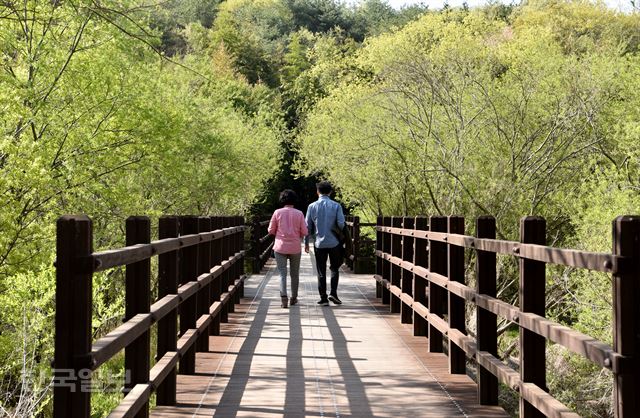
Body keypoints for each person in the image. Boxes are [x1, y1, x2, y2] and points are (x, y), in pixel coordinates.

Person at [305, 181, 345, 306]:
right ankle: (333, 293)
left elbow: (307, 227)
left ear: (317, 192)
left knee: (321, 271)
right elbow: (341, 224)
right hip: (334, 242)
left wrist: (306, 243)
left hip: (319, 243)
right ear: (330, 192)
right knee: (334, 268)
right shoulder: (336, 205)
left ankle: (323, 298)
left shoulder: (312, 206)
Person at [268, 189, 308, 308]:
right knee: (294, 274)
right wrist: (298, 235)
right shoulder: (299, 213)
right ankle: (294, 298)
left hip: (280, 247)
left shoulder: (277, 212)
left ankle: (283, 298)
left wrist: (278, 234)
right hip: (295, 247)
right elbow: (305, 231)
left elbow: (270, 230)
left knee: (282, 273)